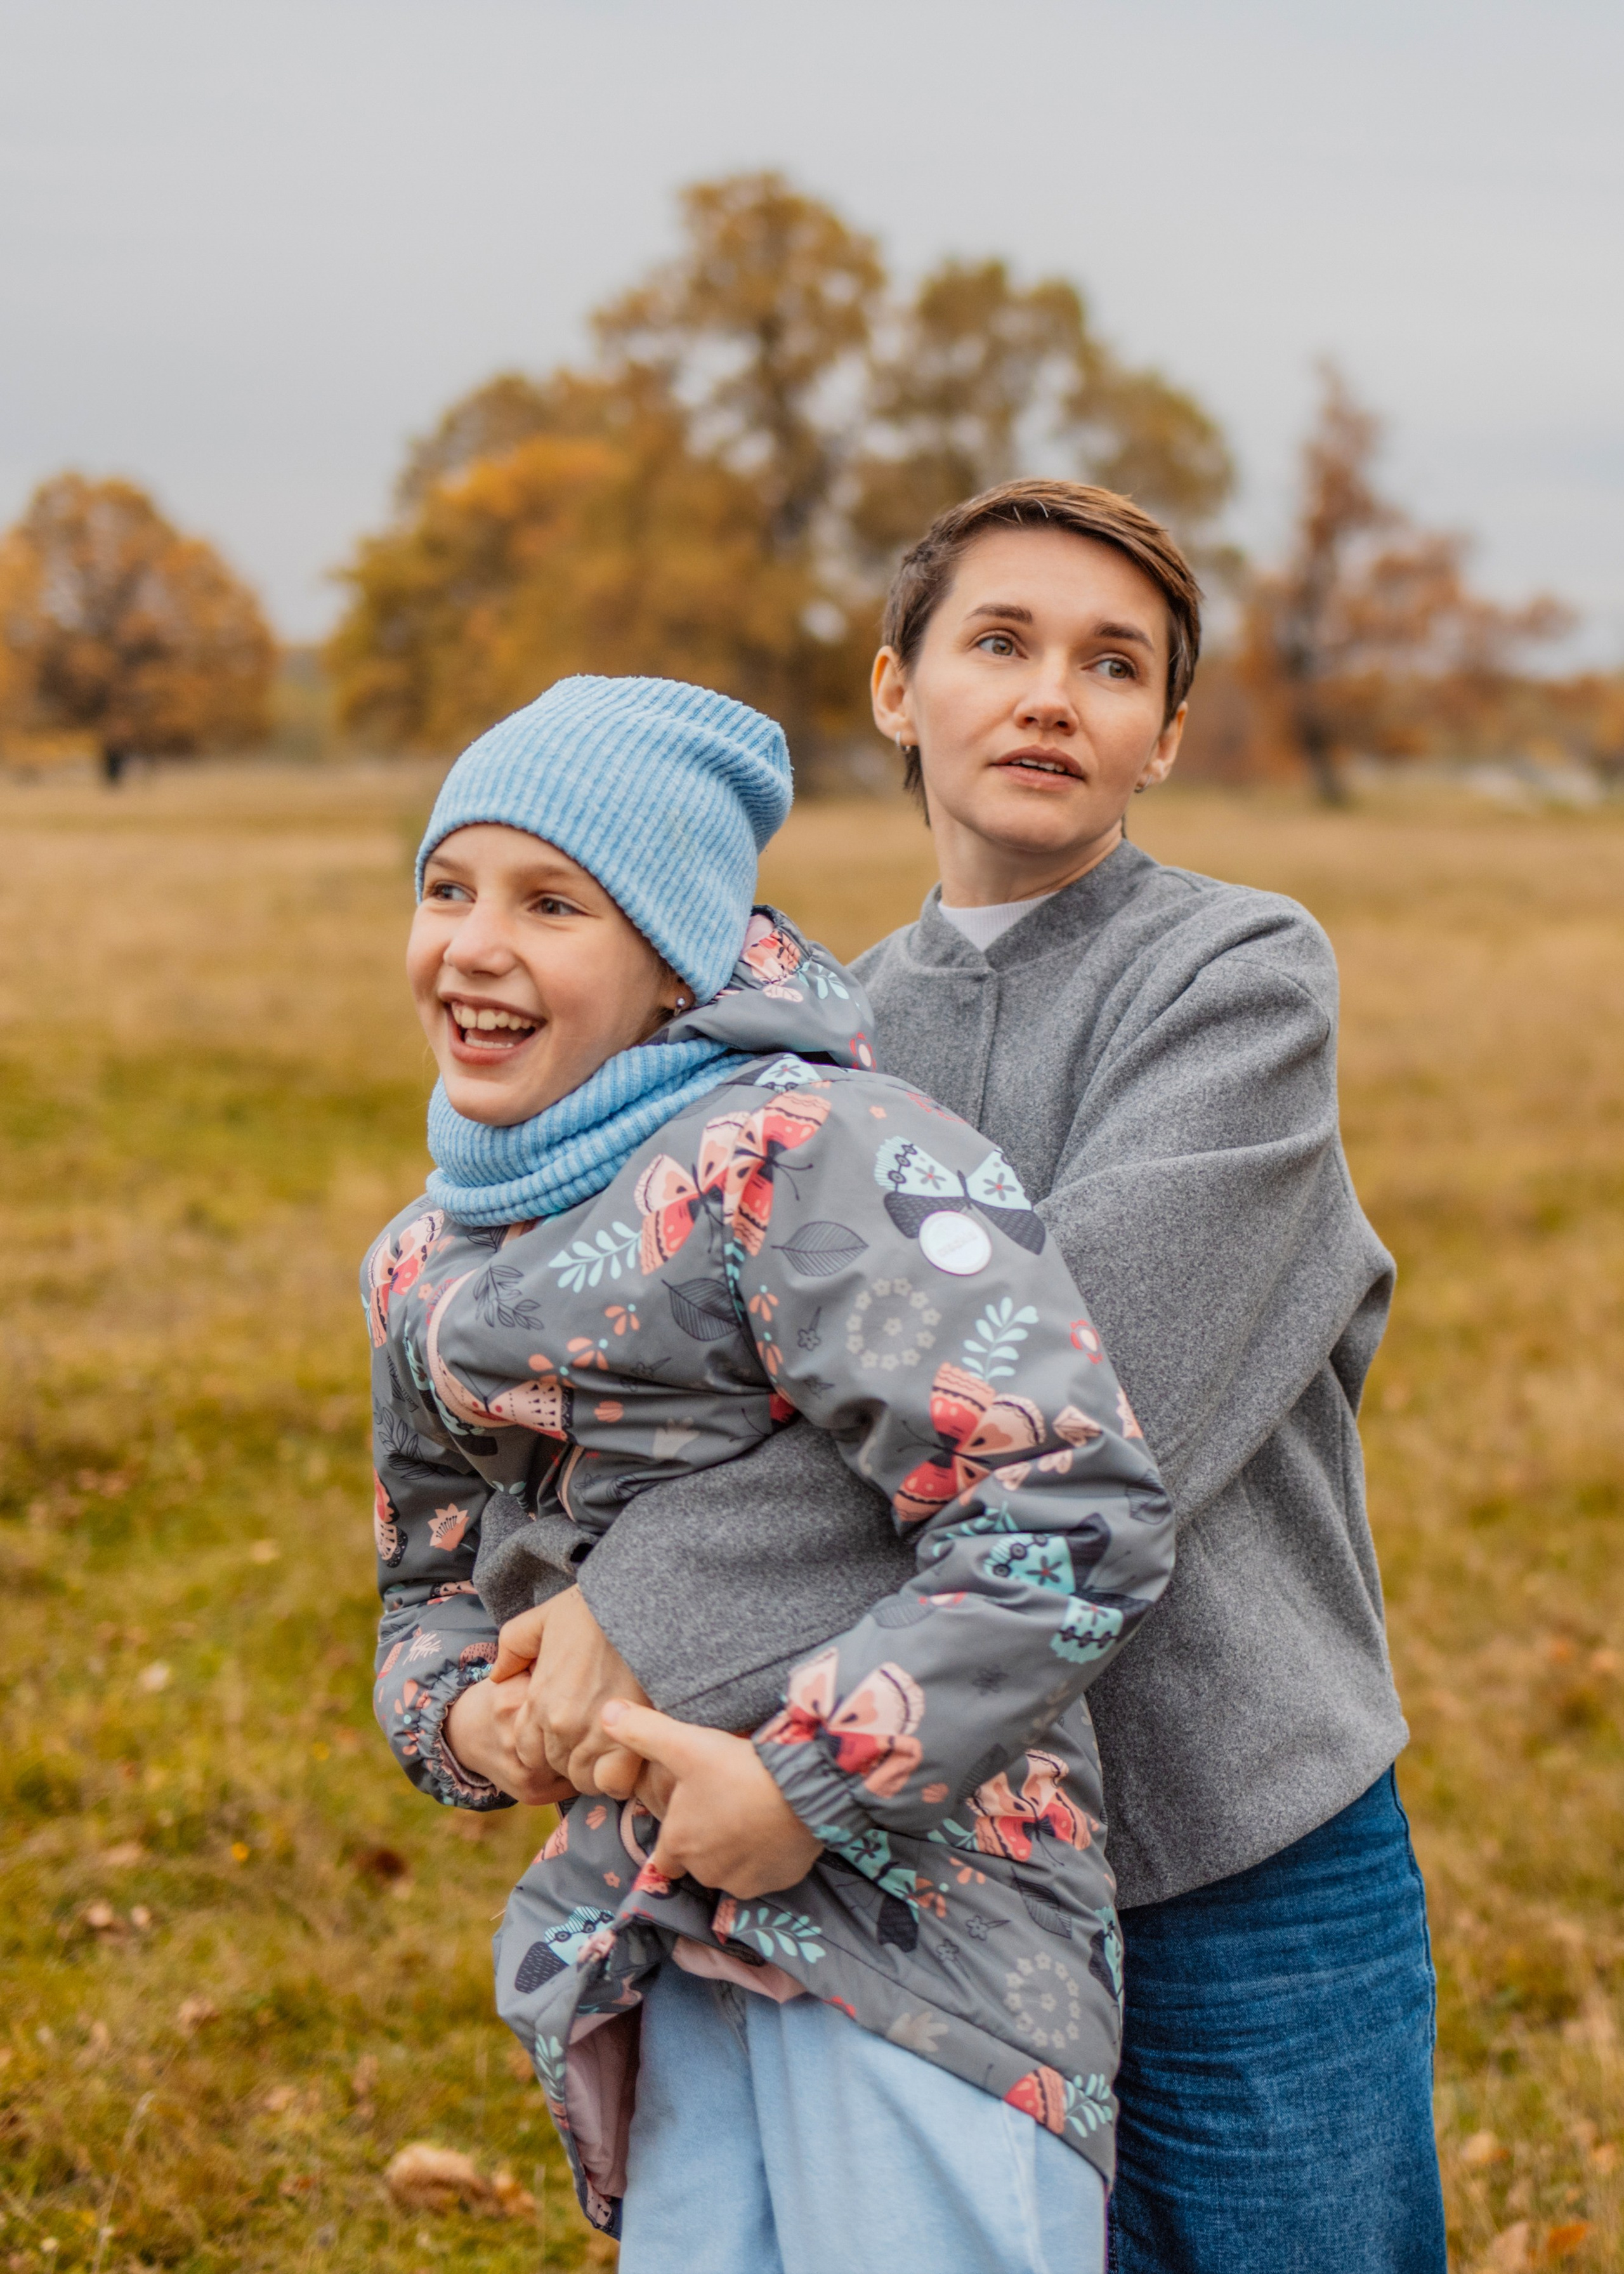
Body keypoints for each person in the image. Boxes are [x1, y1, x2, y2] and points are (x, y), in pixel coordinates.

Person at [514, 485, 1448, 2272]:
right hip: (932, 1852)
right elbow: (711, 1397)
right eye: (999, 644)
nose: (1051, 696)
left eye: (1114, 666)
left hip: (1236, 1847)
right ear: (895, 690)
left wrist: (658, 1598)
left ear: (1163, 735)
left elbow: (1087, 1397)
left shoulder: (1240, 982)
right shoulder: (812, 1050)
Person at [365, 672, 1175, 2271]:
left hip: (924, 1927)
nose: (471, 942)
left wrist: (801, 1782)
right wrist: (473, 1718)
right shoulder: (423, 1259)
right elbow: (428, 1575)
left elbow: (1069, 1505)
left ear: (670, 957)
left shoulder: (812, 1152)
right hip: (652, 1913)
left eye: (551, 903)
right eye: (446, 887)